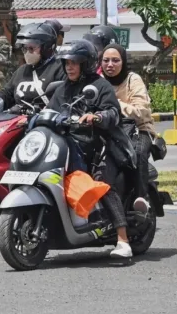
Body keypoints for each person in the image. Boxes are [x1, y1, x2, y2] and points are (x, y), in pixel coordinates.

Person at [47, 39, 133, 258]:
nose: (70, 67)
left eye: (75, 62)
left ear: (86, 63)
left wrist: (97, 117)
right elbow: (50, 111)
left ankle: (123, 240)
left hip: (101, 144)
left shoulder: (100, 86)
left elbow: (113, 113)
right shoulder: (63, 88)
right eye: (67, 63)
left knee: (102, 182)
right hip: (70, 143)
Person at [100, 44, 153, 213]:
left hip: (138, 129)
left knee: (138, 153)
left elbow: (141, 111)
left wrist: (114, 105)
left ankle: (141, 197)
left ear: (123, 62)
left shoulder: (132, 80)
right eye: (106, 60)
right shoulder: (98, 81)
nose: (110, 64)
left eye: (115, 60)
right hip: (108, 130)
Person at [0, 22, 66, 111]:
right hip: (18, 117)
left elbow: (63, 98)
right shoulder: (22, 71)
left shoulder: (59, 68)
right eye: (25, 48)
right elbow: (7, 94)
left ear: (46, 47)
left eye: (31, 48)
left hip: (44, 118)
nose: (27, 53)